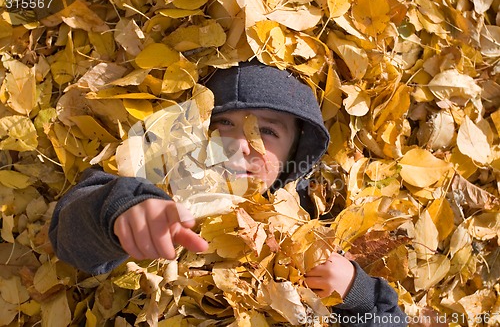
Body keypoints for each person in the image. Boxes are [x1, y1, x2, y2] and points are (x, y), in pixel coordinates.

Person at [49, 60, 406, 326]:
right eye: (223, 123)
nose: (240, 145)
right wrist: (119, 212)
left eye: (266, 131)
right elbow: (68, 234)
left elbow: (392, 320)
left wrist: (355, 295)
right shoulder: (156, 189)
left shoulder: (307, 236)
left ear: (293, 157)